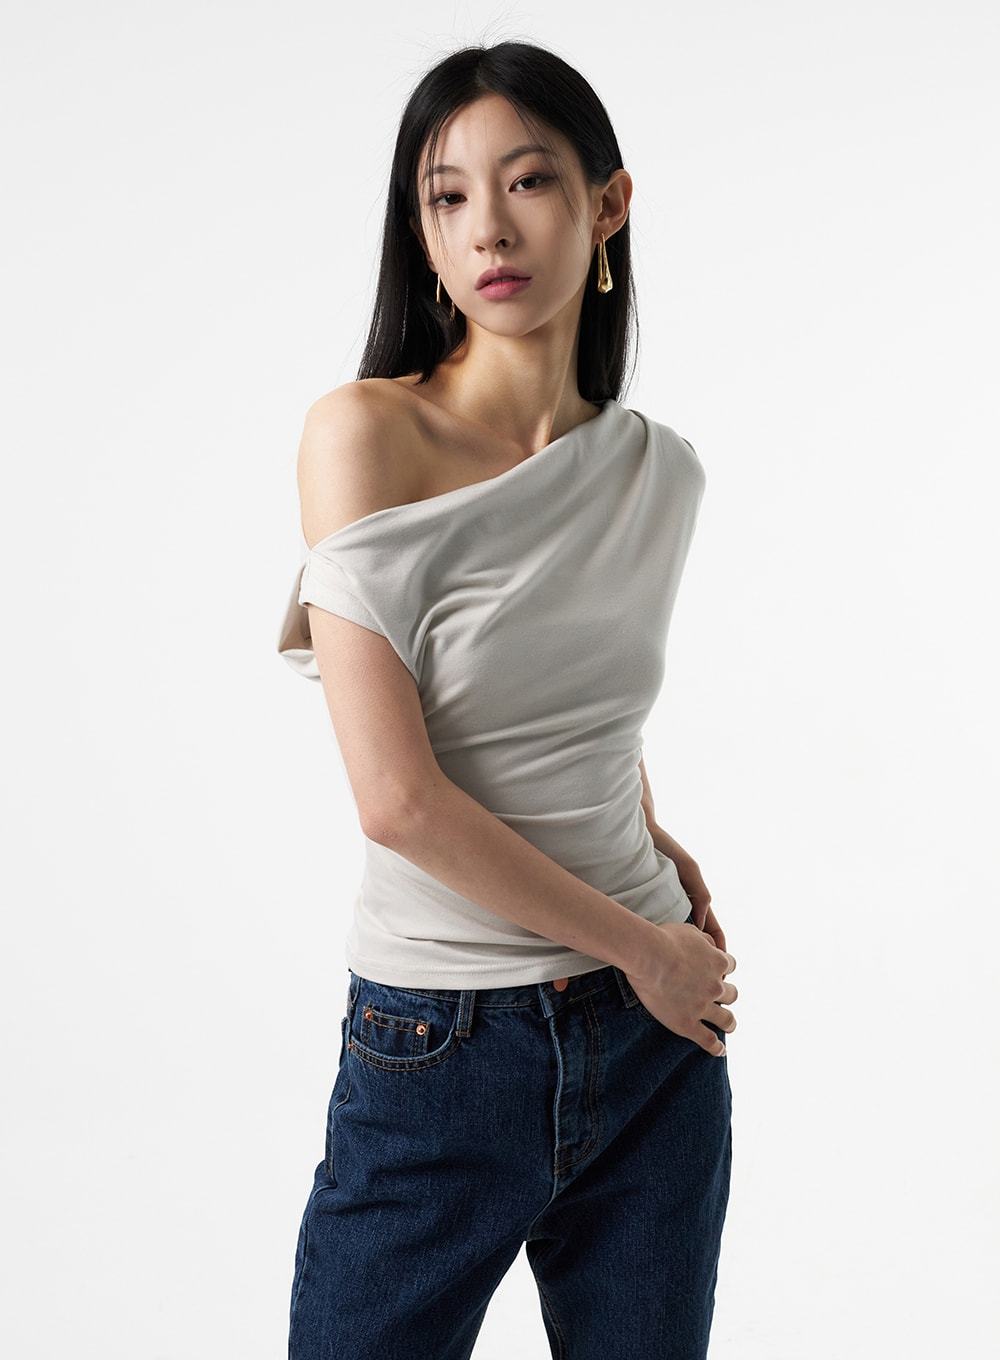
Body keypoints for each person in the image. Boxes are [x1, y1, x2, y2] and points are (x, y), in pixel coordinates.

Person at [276, 39, 737, 1360]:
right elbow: (397, 800)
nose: (489, 226)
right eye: (448, 195)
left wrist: (654, 842)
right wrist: (645, 947)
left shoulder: (659, 472)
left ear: (608, 204)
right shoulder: (365, 436)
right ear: (422, 234)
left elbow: (581, 700)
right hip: (441, 1040)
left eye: (529, 180)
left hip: (653, 1043)